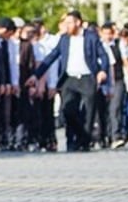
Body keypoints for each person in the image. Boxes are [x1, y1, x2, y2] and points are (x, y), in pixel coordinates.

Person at [24, 9, 110, 152]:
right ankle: (73, 139)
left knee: (89, 112)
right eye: (65, 23)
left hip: (87, 77)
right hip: (69, 79)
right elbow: (52, 56)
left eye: (69, 23)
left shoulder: (91, 37)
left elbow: (103, 55)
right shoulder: (64, 39)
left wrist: (102, 70)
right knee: (68, 110)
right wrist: (36, 75)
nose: (67, 26)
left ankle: (84, 141)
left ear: (78, 23)